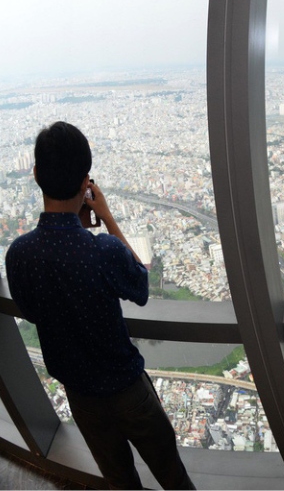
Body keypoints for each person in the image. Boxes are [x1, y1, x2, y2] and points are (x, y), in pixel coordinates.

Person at [5, 122, 194, 490]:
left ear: (36, 175)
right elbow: (140, 285)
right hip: (128, 392)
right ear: (85, 183)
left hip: (81, 397)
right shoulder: (101, 250)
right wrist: (106, 218)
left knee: (120, 482)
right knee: (173, 476)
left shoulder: (19, 254)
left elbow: (30, 311)